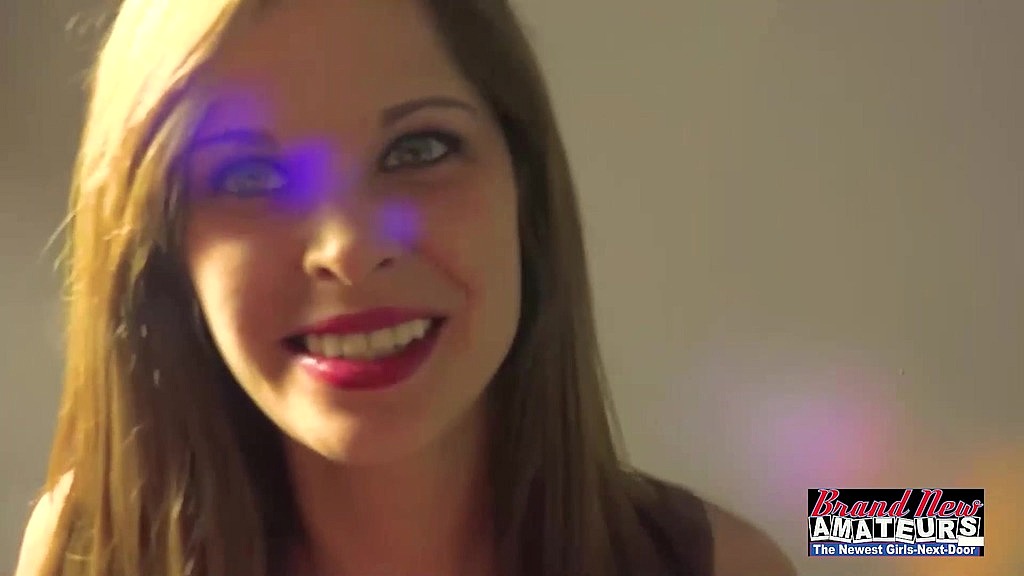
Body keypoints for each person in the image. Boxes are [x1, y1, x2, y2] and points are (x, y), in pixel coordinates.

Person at [14, 1, 797, 575]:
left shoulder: (721, 567)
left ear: (522, 194)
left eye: (417, 150)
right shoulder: (94, 550)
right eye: (250, 176)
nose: (350, 250)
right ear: (163, 252)